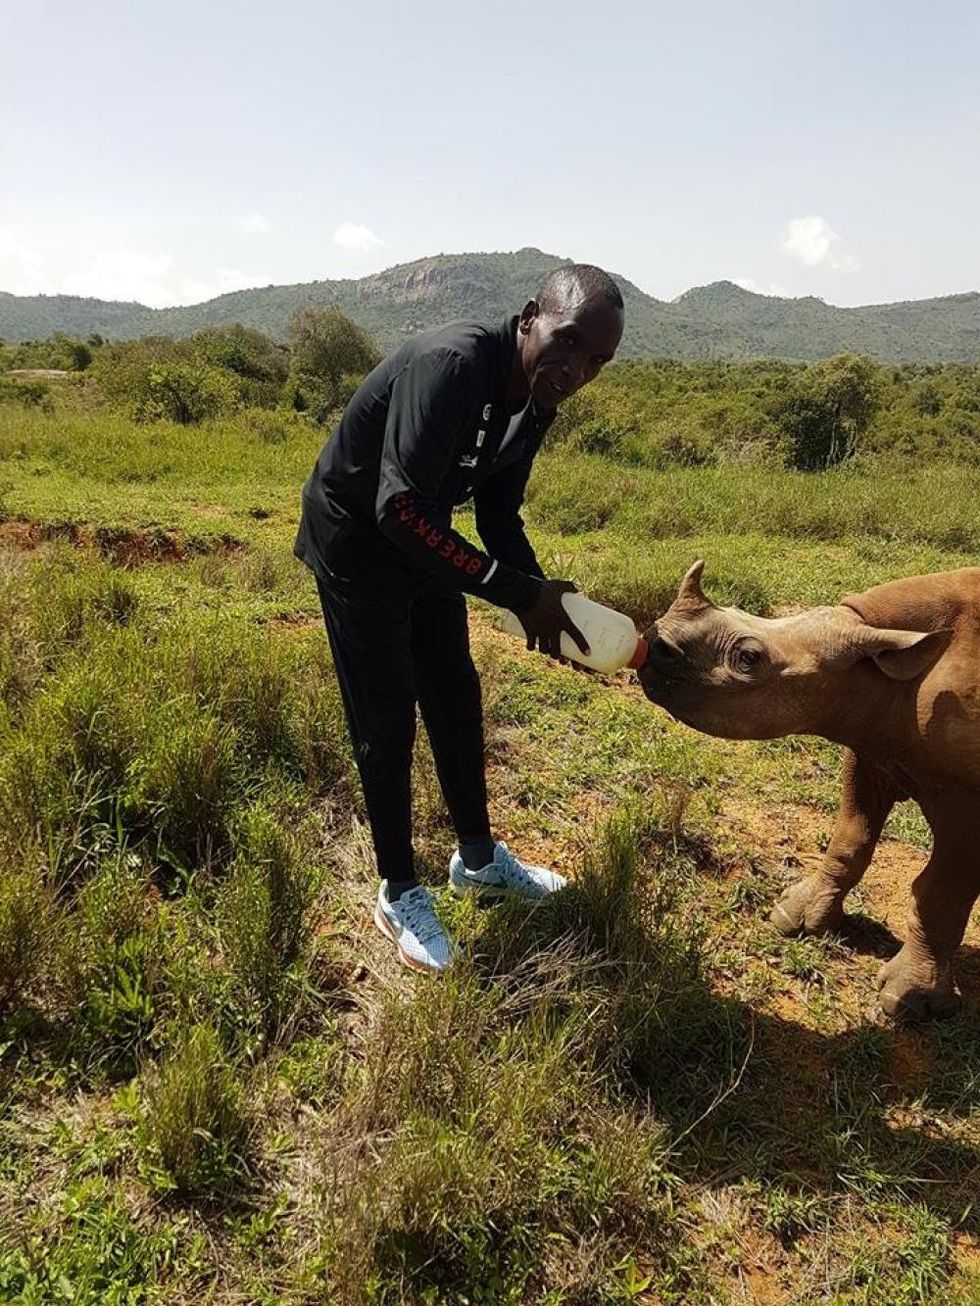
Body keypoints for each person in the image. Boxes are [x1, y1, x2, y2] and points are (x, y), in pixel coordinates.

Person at [294, 264, 625, 973]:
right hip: (358, 544)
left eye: (597, 361)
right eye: (567, 343)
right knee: (386, 718)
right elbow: (396, 508)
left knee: (454, 693)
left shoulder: (538, 398)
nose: (576, 370)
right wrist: (512, 591)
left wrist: (543, 599)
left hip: (420, 543)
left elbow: (499, 512)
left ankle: (477, 861)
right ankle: (397, 890)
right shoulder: (453, 367)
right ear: (531, 315)